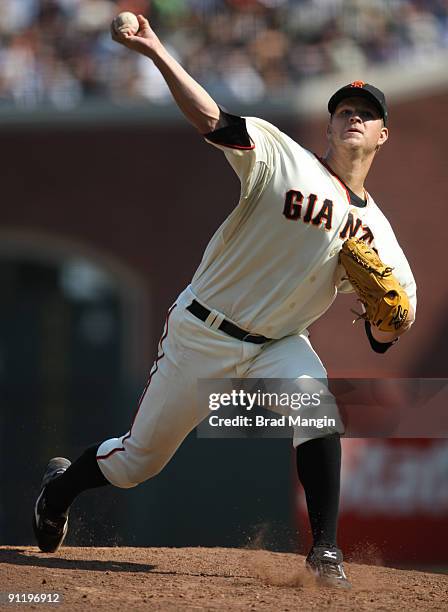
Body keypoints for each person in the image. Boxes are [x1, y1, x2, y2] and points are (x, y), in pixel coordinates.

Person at [32, 15, 416, 589]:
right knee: (139, 462)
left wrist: (379, 321)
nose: (353, 117)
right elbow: (212, 119)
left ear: (383, 134)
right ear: (330, 126)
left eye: (366, 113)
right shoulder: (284, 157)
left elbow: (387, 334)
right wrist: (157, 49)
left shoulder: (382, 236)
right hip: (202, 331)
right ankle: (59, 488)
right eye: (342, 110)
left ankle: (326, 552)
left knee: (318, 410)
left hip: (280, 344)